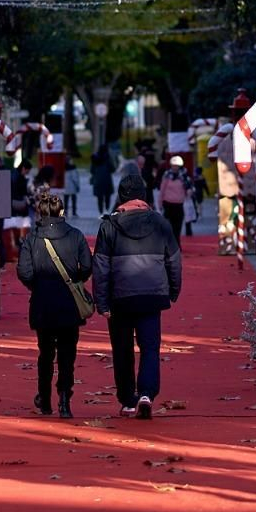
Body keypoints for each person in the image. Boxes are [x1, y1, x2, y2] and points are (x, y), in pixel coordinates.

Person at [92, 175, 182, 419]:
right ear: (144, 195)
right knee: (150, 346)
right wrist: (173, 290)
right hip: (152, 293)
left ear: (121, 196)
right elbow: (174, 260)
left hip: (119, 297)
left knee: (122, 349)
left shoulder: (109, 226)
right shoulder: (161, 223)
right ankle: (146, 393)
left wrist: (101, 301)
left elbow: (101, 267)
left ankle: (127, 399)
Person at [16, 188, 92, 418]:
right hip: (69, 303)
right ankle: (64, 399)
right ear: (61, 212)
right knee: (68, 354)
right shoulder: (75, 236)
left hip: (43, 302)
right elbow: (87, 267)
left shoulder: (32, 238)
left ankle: (45, 397)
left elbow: (24, 271)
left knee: (45, 353)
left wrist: (36, 286)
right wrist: (75, 281)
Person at [158, 155, 191, 240]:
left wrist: (189, 192)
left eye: (177, 165)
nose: (175, 167)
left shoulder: (184, 176)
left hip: (179, 205)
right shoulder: (167, 175)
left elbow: (189, 188)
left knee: (177, 227)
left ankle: (176, 243)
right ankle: (168, 243)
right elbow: (162, 189)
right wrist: (160, 202)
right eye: (173, 165)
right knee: (168, 226)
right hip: (168, 204)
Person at [91, 145, 115, 214]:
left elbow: (92, 170)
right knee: (107, 196)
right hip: (107, 180)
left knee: (99, 197)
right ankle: (107, 210)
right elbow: (113, 169)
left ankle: (100, 212)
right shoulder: (107, 158)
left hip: (98, 180)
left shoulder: (95, 158)